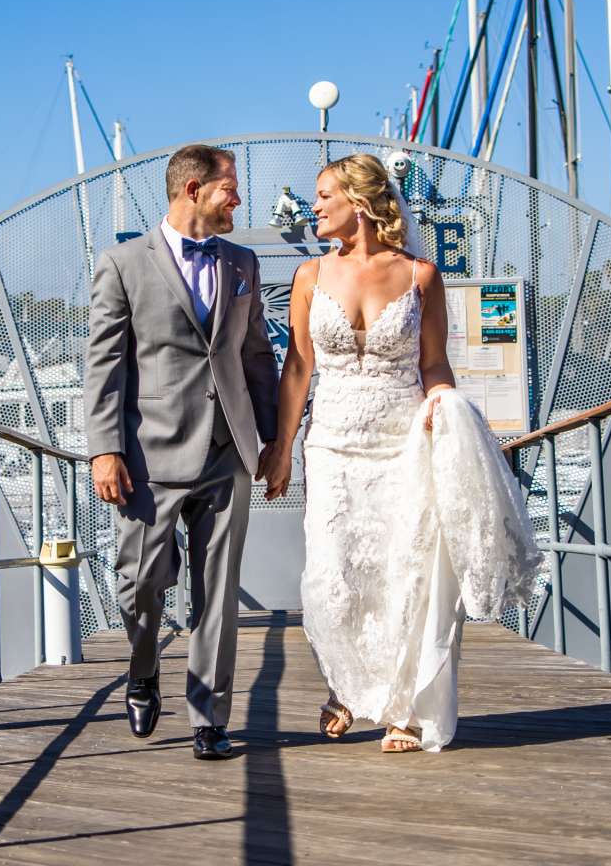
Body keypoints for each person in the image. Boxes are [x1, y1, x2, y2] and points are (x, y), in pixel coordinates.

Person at [261, 153, 539, 753]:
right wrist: (282, 447)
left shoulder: (421, 276)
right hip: (332, 442)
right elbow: (299, 366)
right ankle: (345, 686)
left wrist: (444, 401)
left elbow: (434, 362)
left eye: (323, 194)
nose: (314, 207)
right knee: (335, 573)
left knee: (403, 573)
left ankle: (406, 711)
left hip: (402, 440)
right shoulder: (310, 277)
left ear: (357, 202)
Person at [83, 143, 280, 761]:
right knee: (141, 581)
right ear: (193, 190)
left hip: (228, 450)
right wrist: (104, 450)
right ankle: (143, 669)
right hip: (149, 454)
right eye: (230, 188)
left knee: (216, 590)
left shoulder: (243, 263)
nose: (238, 201)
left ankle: (209, 718)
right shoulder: (121, 264)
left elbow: (255, 358)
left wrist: (273, 443)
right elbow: (104, 365)